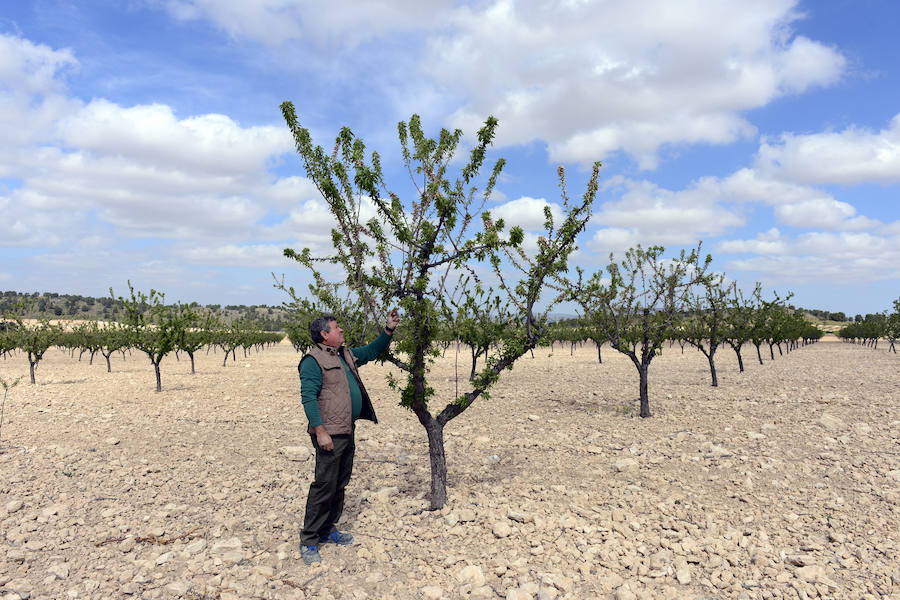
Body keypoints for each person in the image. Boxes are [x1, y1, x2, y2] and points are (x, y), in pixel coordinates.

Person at [297, 309, 400, 565]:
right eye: (336, 327)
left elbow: (371, 351)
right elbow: (308, 398)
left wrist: (388, 330)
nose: (341, 330)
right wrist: (320, 432)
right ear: (324, 334)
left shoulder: (345, 354)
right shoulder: (312, 361)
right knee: (324, 484)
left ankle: (328, 528)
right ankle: (309, 539)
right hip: (329, 434)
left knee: (340, 482)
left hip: (347, 429)